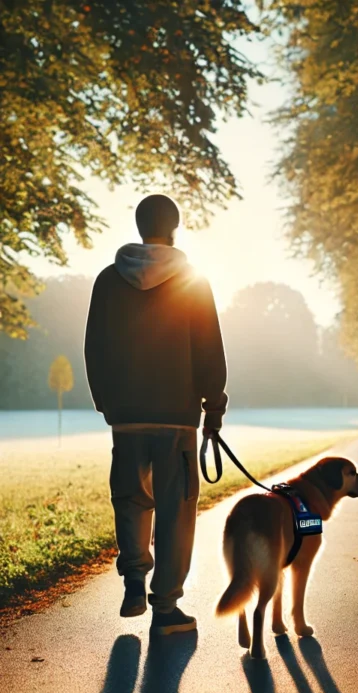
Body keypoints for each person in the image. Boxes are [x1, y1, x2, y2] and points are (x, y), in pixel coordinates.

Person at [84, 194, 227, 636]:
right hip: (176, 420)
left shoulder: (109, 280)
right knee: (176, 513)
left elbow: (95, 347)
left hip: (127, 419)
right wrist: (213, 407)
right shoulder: (192, 281)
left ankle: (133, 580)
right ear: (176, 226)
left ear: (139, 224)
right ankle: (165, 608)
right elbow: (208, 348)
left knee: (130, 501)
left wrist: (107, 402)